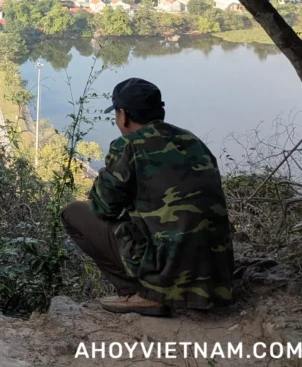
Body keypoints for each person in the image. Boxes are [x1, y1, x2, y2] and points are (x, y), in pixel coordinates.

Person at [61, 78, 233, 316]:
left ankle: (143, 294)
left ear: (123, 116)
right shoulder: (193, 141)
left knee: (73, 212)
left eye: (117, 114)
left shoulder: (128, 145)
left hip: (169, 274)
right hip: (217, 281)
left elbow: (103, 207)